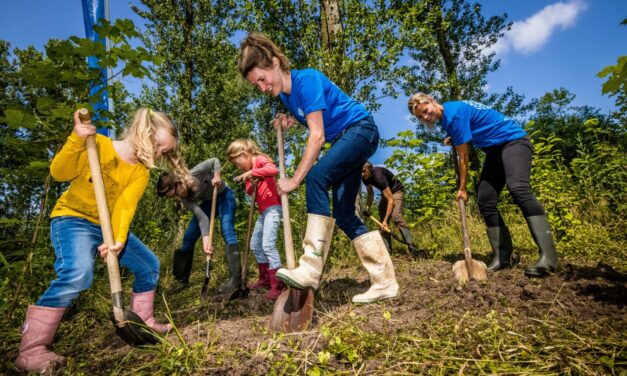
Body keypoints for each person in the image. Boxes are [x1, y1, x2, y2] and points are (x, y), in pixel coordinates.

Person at [237, 32, 398, 304]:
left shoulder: (307, 79)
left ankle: (310, 268)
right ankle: (385, 281)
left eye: (262, 79)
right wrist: (290, 121)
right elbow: (312, 115)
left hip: (361, 130)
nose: (262, 88)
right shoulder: (288, 98)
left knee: (316, 178)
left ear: (275, 62)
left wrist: (295, 180)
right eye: (257, 85)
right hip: (347, 138)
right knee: (345, 214)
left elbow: (318, 135)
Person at [15, 108, 180, 373]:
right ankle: (31, 350)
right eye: (159, 145)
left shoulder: (141, 173)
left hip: (106, 226)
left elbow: (124, 207)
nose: (160, 153)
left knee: (148, 264)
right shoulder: (97, 145)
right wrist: (76, 140)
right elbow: (58, 172)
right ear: (143, 130)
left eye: (165, 151)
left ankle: (142, 320)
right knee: (78, 274)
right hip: (73, 219)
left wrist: (117, 239)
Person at [407, 93, 558, 277]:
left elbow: (463, 156)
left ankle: (549, 258)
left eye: (424, 111)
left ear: (431, 101)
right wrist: (453, 137)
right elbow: (471, 126)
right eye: (420, 117)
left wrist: (462, 188)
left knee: (518, 188)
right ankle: (502, 257)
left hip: (513, 142)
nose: (424, 117)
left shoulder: (454, 114)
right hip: (494, 151)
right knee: (485, 200)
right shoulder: (449, 114)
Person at [157, 157, 240, 293]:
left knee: (227, 229)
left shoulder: (196, 173)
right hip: (208, 203)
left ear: (179, 182)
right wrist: (206, 241)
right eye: (174, 197)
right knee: (188, 237)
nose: (179, 196)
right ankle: (181, 281)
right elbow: (202, 217)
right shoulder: (184, 199)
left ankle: (236, 280)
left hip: (224, 195)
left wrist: (217, 176)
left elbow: (215, 160)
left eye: (177, 192)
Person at [227, 139, 285, 300]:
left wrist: (253, 173)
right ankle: (265, 279)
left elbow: (273, 169)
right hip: (263, 211)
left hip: (273, 208)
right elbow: (249, 190)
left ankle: (278, 285)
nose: (238, 167)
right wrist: (250, 181)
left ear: (244, 154)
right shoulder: (248, 172)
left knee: (268, 244)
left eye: (237, 162)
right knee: (255, 245)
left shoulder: (259, 159)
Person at [361, 161, 417, 254]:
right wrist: (367, 209)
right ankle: (388, 251)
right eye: (361, 172)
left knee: (396, 216)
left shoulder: (379, 176)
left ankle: (412, 247)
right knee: (382, 222)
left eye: (364, 171)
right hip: (386, 193)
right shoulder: (365, 178)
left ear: (370, 169)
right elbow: (370, 194)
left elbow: (391, 201)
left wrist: (386, 221)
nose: (362, 174)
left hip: (396, 191)